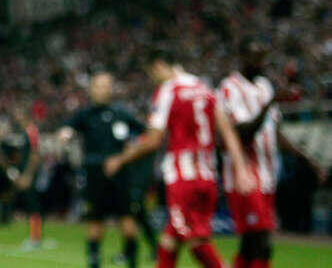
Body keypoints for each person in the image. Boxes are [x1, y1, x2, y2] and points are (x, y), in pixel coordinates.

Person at [105, 48, 256, 268]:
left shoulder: (168, 91)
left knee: (196, 241)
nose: (153, 79)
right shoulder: (205, 89)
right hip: (208, 176)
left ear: (158, 65)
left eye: (151, 74)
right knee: (169, 240)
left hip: (183, 179)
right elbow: (228, 131)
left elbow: (153, 140)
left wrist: (121, 159)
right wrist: (241, 168)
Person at [218, 40, 327, 268]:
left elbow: (274, 133)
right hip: (245, 175)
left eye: (263, 58)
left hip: (267, 175)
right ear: (243, 58)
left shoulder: (264, 86)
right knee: (262, 242)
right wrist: (271, 103)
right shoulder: (230, 88)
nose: (260, 63)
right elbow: (242, 134)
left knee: (250, 245)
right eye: (255, 57)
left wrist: (308, 160)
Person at [57, 72, 145, 268]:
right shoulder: (85, 114)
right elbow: (66, 129)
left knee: (129, 225)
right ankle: (94, 263)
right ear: (91, 89)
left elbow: (145, 135)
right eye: (97, 86)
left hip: (122, 175)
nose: (101, 90)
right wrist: (65, 134)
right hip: (95, 176)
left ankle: (132, 261)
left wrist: (127, 155)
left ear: (112, 88)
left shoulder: (122, 113)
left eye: (105, 86)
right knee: (95, 223)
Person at [0, 107, 45, 250]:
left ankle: (35, 238)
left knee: (33, 204)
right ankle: (34, 236)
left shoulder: (31, 131)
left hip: (29, 174)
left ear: (25, 116)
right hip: (23, 173)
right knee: (29, 204)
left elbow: (35, 155)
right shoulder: (24, 132)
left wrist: (28, 175)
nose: (17, 118)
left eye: (19, 115)